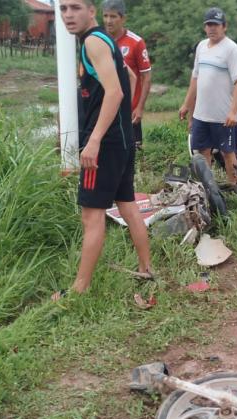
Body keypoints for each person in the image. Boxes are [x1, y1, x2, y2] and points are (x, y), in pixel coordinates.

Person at [52, 0, 153, 300]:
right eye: (63, 9)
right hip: (123, 140)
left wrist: (94, 140)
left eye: (75, 7)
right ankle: (146, 269)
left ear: (91, 10)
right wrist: (126, 116)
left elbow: (116, 90)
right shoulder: (106, 40)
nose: (68, 15)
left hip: (105, 145)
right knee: (127, 205)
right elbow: (131, 78)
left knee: (91, 216)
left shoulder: (93, 42)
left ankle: (78, 291)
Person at [178, 8, 237, 186]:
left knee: (228, 153)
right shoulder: (201, 47)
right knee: (202, 152)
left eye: (215, 25)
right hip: (201, 114)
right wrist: (186, 104)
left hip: (223, 117)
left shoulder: (231, 49)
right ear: (204, 27)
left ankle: (236, 188)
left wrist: (233, 111)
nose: (212, 29)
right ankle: (207, 192)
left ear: (224, 26)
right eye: (209, 25)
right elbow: (195, 78)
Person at [102, 0, 152, 149]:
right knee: (107, 151)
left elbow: (146, 77)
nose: (108, 21)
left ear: (123, 18)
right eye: (105, 16)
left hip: (129, 110)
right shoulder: (99, 41)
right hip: (105, 108)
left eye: (113, 16)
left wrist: (140, 108)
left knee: (132, 154)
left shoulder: (136, 42)